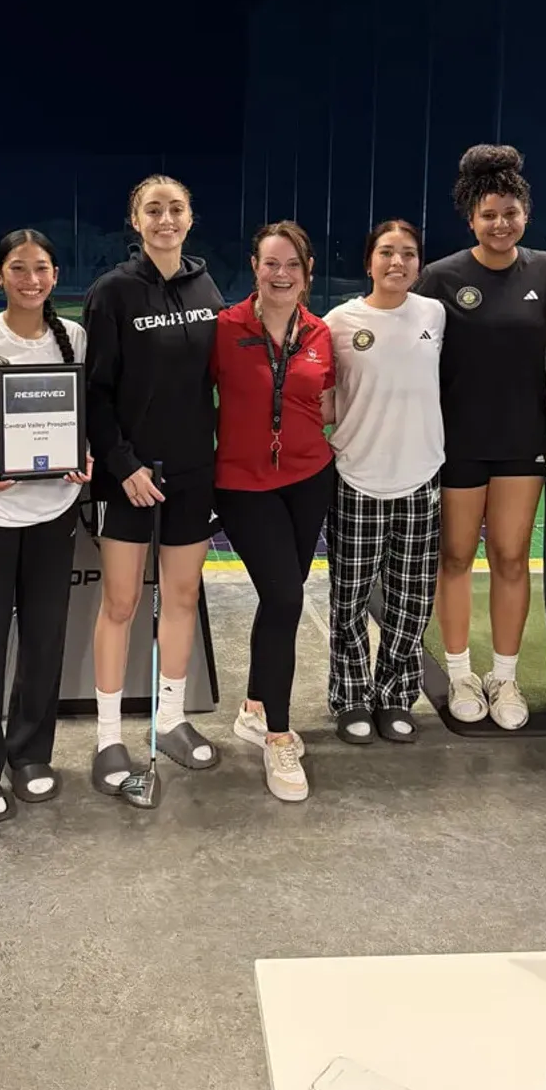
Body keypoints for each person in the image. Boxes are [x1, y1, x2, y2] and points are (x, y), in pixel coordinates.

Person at [82, 174, 223, 794]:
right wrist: (123, 464)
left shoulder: (206, 285)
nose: (166, 219)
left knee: (184, 597)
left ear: (190, 217)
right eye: (153, 210)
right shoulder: (112, 293)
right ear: (136, 221)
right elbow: (96, 392)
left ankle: (170, 720)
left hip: (193, 471)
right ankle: (109, 738)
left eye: (176, 209)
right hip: (130, 477)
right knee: (120, 604)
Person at [0, 230, 89, 823]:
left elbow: (80, 416)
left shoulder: (74, 337)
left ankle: (31, 754)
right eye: (18, 269)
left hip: (55, 511)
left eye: (42, 269)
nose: (31, 280)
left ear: (55, 275)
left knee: (44, 640)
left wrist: (83, 456)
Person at [416, 144, 546, 729]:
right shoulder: (441, 277)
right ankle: (459, 673)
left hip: (522, 442)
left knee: (510, 557)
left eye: (511, 213)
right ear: (471, 218)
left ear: (526, 214)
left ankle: (504, 677)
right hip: (456, 444)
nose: (501, 224)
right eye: (489, 214)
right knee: (453, 556)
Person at [213, 222, 335, 802]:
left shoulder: (320, 333)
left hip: (310, 478)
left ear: (306, 273)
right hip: (242, 484)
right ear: (255, 267)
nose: (281, 274)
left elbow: (326, 398)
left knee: (279, 596)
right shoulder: (225, 328)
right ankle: (279, 736)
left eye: (292, 265)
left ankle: (256, 706)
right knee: (287, 597)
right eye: (271, 263)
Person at [323, 219, 444, 746]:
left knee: (411, 599)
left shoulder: (434, 314)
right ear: (369, 261)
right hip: (357, 477)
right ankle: (350, 697)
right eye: (387, 253)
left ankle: (395, 696)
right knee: (348, 601)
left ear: (419, 263)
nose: (398, 263)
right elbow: (324, 399)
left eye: (409, 254)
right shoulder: (338, 322)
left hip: (421, 477)